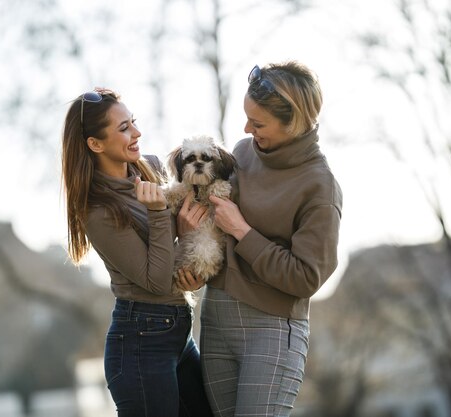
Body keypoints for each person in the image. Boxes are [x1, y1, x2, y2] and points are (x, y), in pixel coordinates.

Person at [199, 61, 343, 416]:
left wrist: (242, 231)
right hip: (216, 318)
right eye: (247, 118)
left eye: (258, 123)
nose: (247, 129)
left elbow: (306, 277)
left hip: (272, 330)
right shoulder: (243, 153)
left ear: (291, 121)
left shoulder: (320, 186)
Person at [61, 88, 212, 417]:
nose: (137, 133)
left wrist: (194, 272)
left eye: (133, 122)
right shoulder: (97, 209)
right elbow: (156, 281)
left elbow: (180, 249)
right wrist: (160, 213)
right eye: (123, 128)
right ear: (95, 144)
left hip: (179, 333)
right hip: (141, 344)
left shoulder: (152, 169)